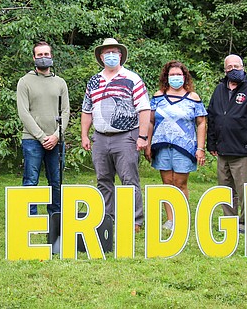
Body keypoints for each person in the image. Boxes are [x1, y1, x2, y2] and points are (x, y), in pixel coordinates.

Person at [81, 38, 150, 232]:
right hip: (100, 137)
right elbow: (87, 110)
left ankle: (134, 220)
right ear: (101, 57)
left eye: (114, 52)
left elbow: (144, 109)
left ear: (120, 55)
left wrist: (142, 137)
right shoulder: (94, 81)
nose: (111, 56)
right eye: (107, 53)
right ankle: (107, 218)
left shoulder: (132, 79)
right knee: (103, 179)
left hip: (126, 136)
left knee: (129, 179)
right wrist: (84, 135)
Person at [206, 54, 247, 233]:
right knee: (225, 190)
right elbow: (212, 116)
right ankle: (230, 221)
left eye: (237, 66)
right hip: (223, 150)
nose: (233, 69)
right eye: (230, 67)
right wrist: (211, 143)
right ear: (225, 70)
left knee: (246, 191)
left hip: (245, 152)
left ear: (243, 67)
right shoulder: (219, 89)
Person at [146, 61, 207, 232]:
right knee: (167, 183)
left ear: (185, 77)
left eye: (178, 75)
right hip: (162, 145)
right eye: (172, 75)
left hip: (185, 146)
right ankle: (170, 219)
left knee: (180, 183)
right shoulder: (158, 96)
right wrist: (148, 144)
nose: (175, 78)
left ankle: (182, 216)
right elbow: (150, 121)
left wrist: (200, 148)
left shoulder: (193, 98)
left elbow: (201, 123)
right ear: (166, 77)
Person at [16, 41, 70, 215]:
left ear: (51, 56)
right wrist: (41, 137)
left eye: (46, 55)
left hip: (56, 140)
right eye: (39, 55)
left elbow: (66, 111)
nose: (43, 58)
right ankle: (30, 217)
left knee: (56, 180)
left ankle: (55, 216)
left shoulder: (60, 82)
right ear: (34, 58)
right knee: (31, 180)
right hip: (32, 140)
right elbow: (23, 112)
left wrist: (56, 136)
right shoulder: (24, 82)